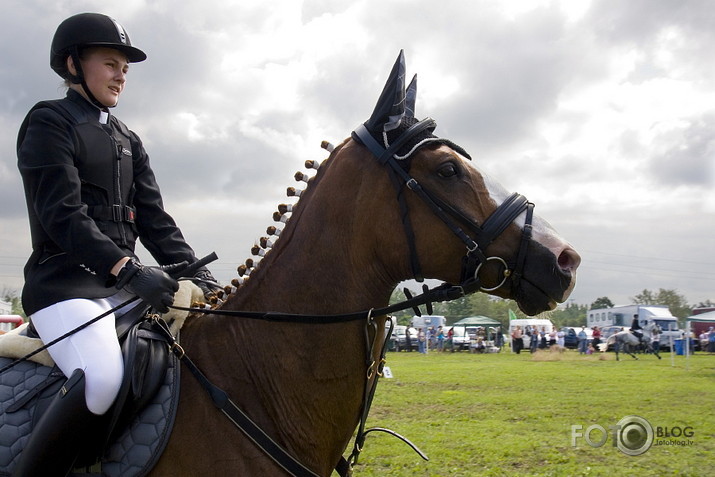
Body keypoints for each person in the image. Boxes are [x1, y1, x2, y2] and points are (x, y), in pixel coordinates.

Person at [14, 13, 221, 476]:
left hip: (123, 291)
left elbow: (155, 221)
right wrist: (127, 269)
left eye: (124, 68)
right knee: (103, 378)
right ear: (72, 64)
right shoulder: (49, 121)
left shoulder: (129, 139)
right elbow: (62, 216)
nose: (120, 75)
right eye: (110, 63)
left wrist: (198, 273)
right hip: (63, 287)